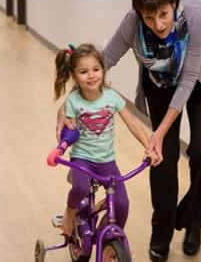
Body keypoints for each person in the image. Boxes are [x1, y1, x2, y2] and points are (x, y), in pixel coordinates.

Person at [57, 0, 201, 261]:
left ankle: (193, 215)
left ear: (174, 4)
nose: (159, 24)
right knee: (162, 157)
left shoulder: (197, 14)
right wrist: (68, 103)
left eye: (163, 15)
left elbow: (189, 78)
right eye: (149, 18)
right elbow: (104, 59)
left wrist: (159, 131)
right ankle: (161, 232)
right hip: (161, 82)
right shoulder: (133, 22)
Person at [53, 43, 158, 236]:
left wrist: (149, 147)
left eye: (96, 69)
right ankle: (69, 213)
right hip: (82, 159)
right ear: (75, 76)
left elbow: (133, 123)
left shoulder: (112, 98)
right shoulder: (73, 101)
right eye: (84, 72)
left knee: (121, 204)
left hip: (107, 161)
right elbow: (66, 130)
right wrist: (61, 146)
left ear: (103, 70)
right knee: (80, 187)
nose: (91, 75)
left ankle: (107, 239)